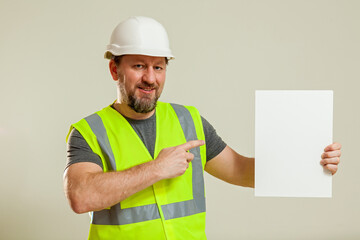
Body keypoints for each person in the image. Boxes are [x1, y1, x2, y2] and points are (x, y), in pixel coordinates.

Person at [64, 16, 342, 240]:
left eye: (158, 67)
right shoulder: (89, 131)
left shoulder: (189, 120)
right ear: (115, 70)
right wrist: (157, 168)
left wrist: (310, 164)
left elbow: (242, 171)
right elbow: (80, 196)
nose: (150, 78)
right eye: (139, 66)